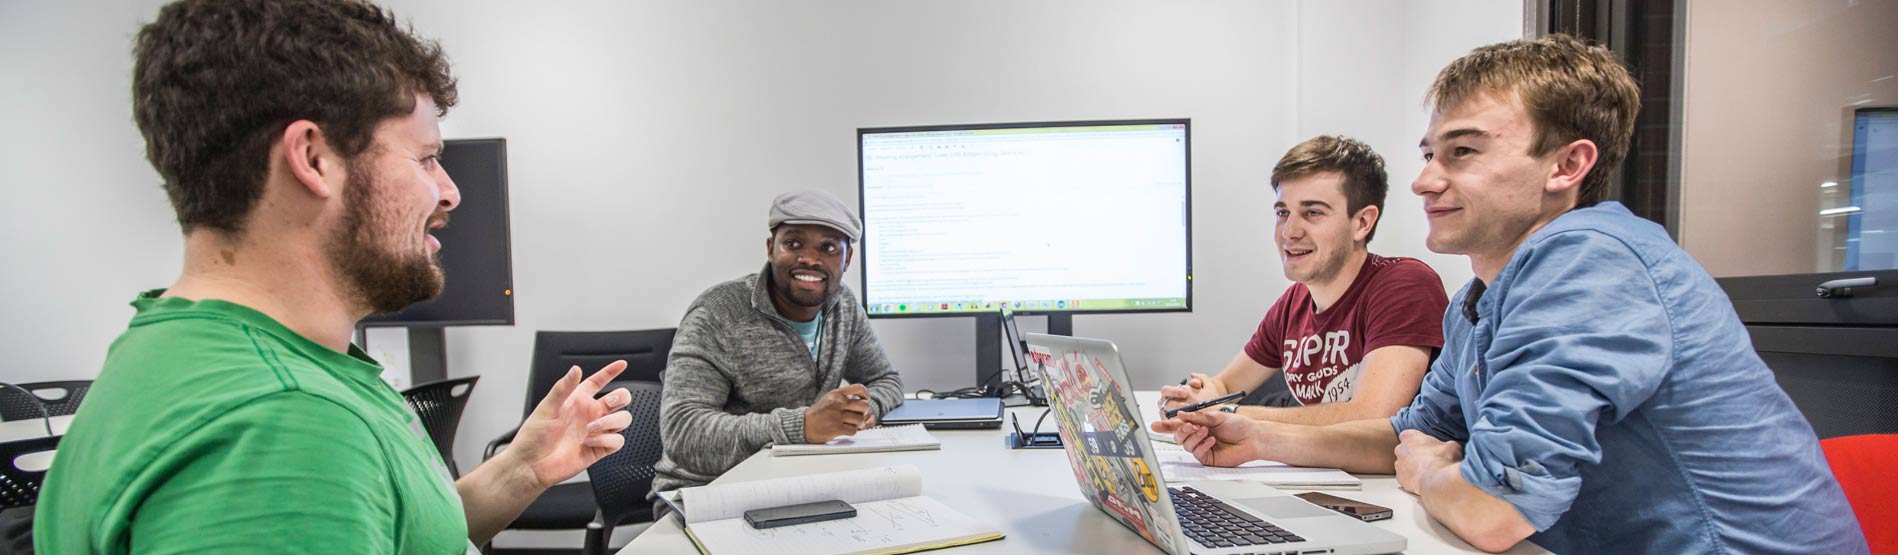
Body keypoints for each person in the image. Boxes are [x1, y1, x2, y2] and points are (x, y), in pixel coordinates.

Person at [1170, 34, 1868, 553]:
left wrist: (1434, 472)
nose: (1423, 181)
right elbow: (1403, 437)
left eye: (1462, 152)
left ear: (1568, 164)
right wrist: (1258, 434)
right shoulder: (1477, 299)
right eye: (1430, 153)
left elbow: (1491, 509)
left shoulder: (1590, 262)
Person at [35, 1, 635, 552]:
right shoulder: (284, 424)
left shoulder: (207, 353)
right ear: (314, 160)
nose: (449, 192)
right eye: (426, 157)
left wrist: (521, 470)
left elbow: (392, 533)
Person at [1152, 136, 1448, 430]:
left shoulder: (1404, 285)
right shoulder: (1293, 303)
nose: (1289, 232)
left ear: (1362, 223)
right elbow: (1224, 384)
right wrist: (1195, 399)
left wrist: (1227, 413)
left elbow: (1372, 417)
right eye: (1282, 213)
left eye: (1313, 213)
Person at [652, 190, 905, 506]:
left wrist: (867, 408)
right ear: (771, 248)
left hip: (801, 483)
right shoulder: (717, 313)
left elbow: (886, 380)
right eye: (794, 244)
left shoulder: (843, 306)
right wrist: (801, 426)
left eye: (827, 248)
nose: (810, 259)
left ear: (847, 259)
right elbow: (684, 434)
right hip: (708, 493)